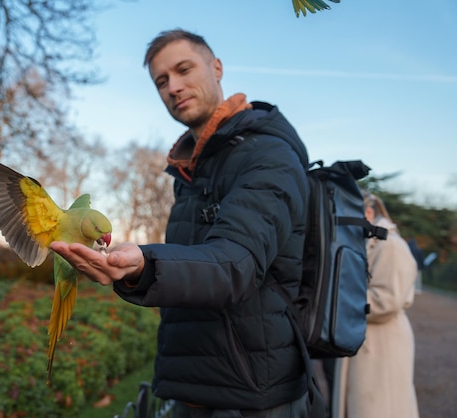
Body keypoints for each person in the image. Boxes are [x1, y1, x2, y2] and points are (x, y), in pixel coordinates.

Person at [51, 29, 311, 417]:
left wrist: (145, 263)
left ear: (217, 67)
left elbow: (233, 265)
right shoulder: (191, 170)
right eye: (161, 81)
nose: (173, 86)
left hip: (253, 397)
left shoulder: (268, 155)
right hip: (196, 390)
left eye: (184, 69)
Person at [331, 192, 419, 418]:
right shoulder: (372, 242)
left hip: (383, 344)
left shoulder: (390, 245)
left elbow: (387, 299)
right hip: (368, 339)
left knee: (381, 407)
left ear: (368, 212)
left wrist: (338, 301)